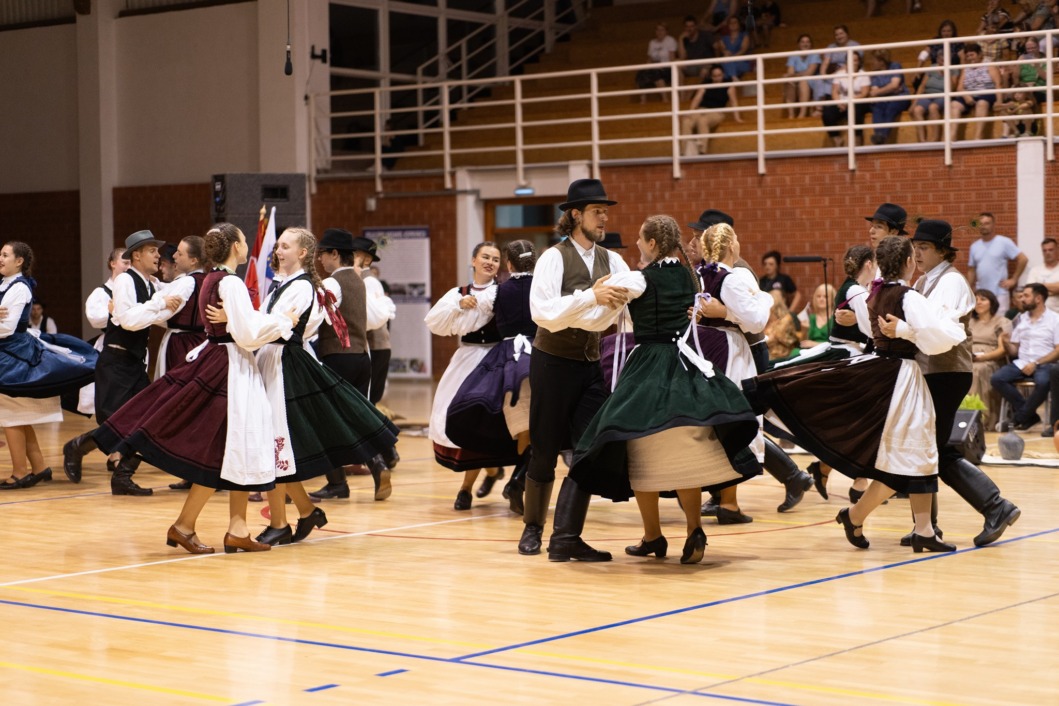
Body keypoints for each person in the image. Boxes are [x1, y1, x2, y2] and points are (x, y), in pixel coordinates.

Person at [88, 223, 300, 553]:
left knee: (229, 449)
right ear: (234, 247)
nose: (247, 245)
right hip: (233, 365)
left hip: (220, 360)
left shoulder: (210, 280)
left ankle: (225, 528)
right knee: (237, 444)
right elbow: (246, 335)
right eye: (244, 240)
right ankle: (199, 527)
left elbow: (240, 324)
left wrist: (244, 320)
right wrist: (283, 321)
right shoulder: (229, 282)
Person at [750, 236, 965, 552]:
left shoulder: (876, 292)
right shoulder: (908, 297)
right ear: (907, 263)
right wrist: (931, 327)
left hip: (885, 371)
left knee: (916, 454)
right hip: (901, 379)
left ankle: (915, 528)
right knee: (912, 452)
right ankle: (865, 517)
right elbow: (939, 341)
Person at [570, 215, 760, 564]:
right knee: (685, 455)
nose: (637, 245)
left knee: (639, 450)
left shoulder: (641, 279)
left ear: (652, 244)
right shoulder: (689, 274)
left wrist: (587, 294)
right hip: (686, 363)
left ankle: (653, 535)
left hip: (651, 367)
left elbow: (608, 295)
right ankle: (692, 529)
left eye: (641, 240)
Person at [250, 227, 400, 546]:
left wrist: (261, 324)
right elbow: (376, 318)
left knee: (293, 437)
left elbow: (297, 325)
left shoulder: (314, 286)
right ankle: (308, 508)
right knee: (309, 431)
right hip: (357, 354)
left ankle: (293, 514)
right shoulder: (354, 280)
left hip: (303, 360)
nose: (278, 251)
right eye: (277, 246)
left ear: (312, 254)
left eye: (285, 246)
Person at [519, 178, 630, 561]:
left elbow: (618, 305)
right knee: (545, 449)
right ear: (576, 215)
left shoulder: (613, 260)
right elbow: (544, 314)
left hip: (590, 364)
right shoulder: (553, 258)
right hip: (551, 363)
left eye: (605, 212)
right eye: (598, 212)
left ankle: (566, 536)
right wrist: (590, 298)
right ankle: (532, 528)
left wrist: (589, 306)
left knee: (588, 449)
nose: (604, 219)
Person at [903, 220, 1021, 547]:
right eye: (915, 247)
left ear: (943, 250)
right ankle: (927, 527)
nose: (918, 253)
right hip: (933, 371)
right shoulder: (926, 280)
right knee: (931, 449)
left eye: (924, 248)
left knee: (938, 450)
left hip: (948, 370)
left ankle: (995, 506)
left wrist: (901, 330)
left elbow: (937, 330)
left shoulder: (951, 282)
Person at [62, 230, 182, 496]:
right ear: (136, 255)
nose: (157, 256)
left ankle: (120, 475)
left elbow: (164, 307)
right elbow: (129, 320)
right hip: (116, 360)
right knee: (119, 423)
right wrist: (159, 304)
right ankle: (79, 446)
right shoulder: (126, 282)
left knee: (148, 420)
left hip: (135, 362)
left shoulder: (150, 284)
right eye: (152, 251)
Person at [446, 240, 538, 514]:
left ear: (508, 264)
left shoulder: (497, 292)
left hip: (507, 362)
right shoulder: (544, 289)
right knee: (535, 429)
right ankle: (516, 480)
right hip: (539, 357)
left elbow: (468, 315)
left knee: (514, 423)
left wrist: (461, 303)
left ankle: (513, 480)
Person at [0, 242, 97, 489]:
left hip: (14, 356)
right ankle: (39, 467)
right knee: (17, 414)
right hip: (9, 353)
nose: (0, 258)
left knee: (11, 414)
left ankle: (20, 472)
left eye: (5, 255)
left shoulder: (19, 288)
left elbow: (6, 327)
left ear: (19, 261)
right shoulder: (6, 285)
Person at [309, 229, 397, 501]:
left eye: (323, 253)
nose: (320, 259)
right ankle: (378, 464)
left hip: (338, 358)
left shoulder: (333, 284)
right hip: (361, 357)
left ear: (335, 254)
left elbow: (315, 318)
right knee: (356, 419)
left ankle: (337, 483)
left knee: (326, 422)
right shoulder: (360, 281)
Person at [694, 222, 773, 522]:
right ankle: (728, 502)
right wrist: (765, 297)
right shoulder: (731, 279)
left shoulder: (701, 274)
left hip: (705, 346)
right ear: (730, 246)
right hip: (728, 348)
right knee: (736, 415)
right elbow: (755, 321)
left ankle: (724, 499)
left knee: (717, 418)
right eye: (737, 238)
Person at [426, 241, 513, 510]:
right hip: (466, 359)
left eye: (495, 259)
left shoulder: (503, 292)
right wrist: (460, 306)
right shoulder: (458, 293)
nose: (490, 262)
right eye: (485, 257)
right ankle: (490, 472)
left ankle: (466, 489)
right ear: (473, 260)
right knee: (461, 417)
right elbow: (435, 321)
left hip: (496, 360)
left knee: (486, 420)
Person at [992, 282, 1059, 429]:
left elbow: (1057, 350)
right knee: (997, 379)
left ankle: (1018, 418)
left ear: (1038, 298)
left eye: (1026, 296)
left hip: (1045, 363)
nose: (1022, 299)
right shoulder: (1020, 319)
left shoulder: (1055, 319)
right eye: (1022, 296)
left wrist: (1035, 363)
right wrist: (1006, 343)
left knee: (1043, 382)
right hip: (1021, 362)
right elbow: (1014, 350)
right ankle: (1030, 416)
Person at [156, 235, 208, 379]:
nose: (174, 256)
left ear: (193, 260)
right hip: (202, 342)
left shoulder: (187, 282)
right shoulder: (208, 280)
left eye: (179, 253)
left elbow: (162, 314)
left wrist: (131, 313)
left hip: (182, 345)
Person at [967, 211, 1027, 314]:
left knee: (1000, 325)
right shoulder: (974, 246)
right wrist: (968, 288)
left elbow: (1023, 259)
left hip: (1000, 293)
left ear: (993, 224)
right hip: (981, 294)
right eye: (981, 224)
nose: (983, 226)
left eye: (987, 223)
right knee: (981, 324)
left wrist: (1014, 279)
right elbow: (971, 270)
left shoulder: (1004, 242)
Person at [969, 289, 1011, 430]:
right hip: (970, 357)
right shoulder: (969, 321)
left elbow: (1002, 350)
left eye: (983, 299)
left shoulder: (1001, 321)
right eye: (976, 299)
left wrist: (982, 357)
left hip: (991, 359)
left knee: (978, 370)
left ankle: (982, 417)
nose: (979, 302)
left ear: (992, 303)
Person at [681, 64, 742, 156]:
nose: (717, 78)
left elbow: (734, 102)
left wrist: (737, 118)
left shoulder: (728, 85)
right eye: (715, 76)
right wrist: (690, 112)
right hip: (701, 109)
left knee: (703, 120)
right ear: (711, 76)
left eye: (719, 75)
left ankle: (702, 152)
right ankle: (685, 152)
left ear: (723, 74)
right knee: (686, 121)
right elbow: (697, 99)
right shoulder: (706, 84)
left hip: (716, 112)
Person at [949, 43, 1002, 143]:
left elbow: (998, 83)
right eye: (967, 56)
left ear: (980, 54)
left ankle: (978, 137)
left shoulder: (989, 65)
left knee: (981, 103)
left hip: (987, 93)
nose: (970, 58)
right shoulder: (966, 68)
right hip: (969, 94)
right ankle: (952, 137)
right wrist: (966, 96)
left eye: (972, 55)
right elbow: (959, 87)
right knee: (954, 104)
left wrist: (999, 101)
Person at [822, 51, 871, 147]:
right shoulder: (840, 74)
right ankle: (836, 139)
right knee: (827, 113)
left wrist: (849, 102)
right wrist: (839, 102)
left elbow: (864, 93)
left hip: (857, 102)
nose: (853, 62)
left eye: (855, 60)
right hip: (843, 103)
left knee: (855, 111)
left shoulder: (863, 74)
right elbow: (834, 92)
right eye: (850, 60)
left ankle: (857, 140)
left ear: (859, 62)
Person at [866, 48, 911, 145]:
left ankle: (883, 136)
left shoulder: (895, 66)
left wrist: (882, 91)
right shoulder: (874, 73)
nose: (872, 62)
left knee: (891, 108)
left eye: (874, 60)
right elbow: (874, 92)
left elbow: (894, 84)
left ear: (881, 61)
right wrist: (889, 89)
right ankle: (878, 135)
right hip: (884, 99)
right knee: (876, 108)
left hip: (900, 97)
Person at [635, 23, 678, 101]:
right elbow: (650, 59)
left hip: (666, 68)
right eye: (657, 30)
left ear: (666, 31)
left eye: (662, 30)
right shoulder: (652, 42)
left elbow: (672, 58)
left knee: (656, 73)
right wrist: (646, 67)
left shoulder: (670, 40)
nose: (659, 32)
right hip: (655, 67)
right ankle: (642, 100)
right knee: (640, 73)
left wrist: (663, 65)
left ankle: (665, 99)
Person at [783, 35, 821, 119]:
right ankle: (791, 115)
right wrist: (793, 76)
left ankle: (802, 114)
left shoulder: (814, 54)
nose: (805, 44)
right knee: (788, 81)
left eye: (807, 42)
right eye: (803, 42)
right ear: (799, 45)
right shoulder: (793, 55)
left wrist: (795, 75)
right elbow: (790, 72)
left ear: (811, 44)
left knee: (803, 81)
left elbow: (809, 72)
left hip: (811, 81)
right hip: (798, 79)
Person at [677, 15, 714, 83]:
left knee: (704, 71)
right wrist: (681, 39)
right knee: (677, 66)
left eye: (691, 26)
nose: (689, 29)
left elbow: (715, 49)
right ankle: (680, 93)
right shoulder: (684, 39)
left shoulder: (705, 35)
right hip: (691, 65)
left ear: (696, 26)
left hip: (705, 64)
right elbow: (682, 57)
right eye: (687, 27)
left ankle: (695, 93)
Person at [1026, 238, 1059, 313]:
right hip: (1039, 316)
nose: (1047, 253)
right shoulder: (1035, 270)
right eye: (1045, 250)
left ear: (1057, 250)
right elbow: (1030, 292)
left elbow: (1036, 290)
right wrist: (1055, 290)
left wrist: (1040, 286)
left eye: (1051, 250)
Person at [714, 16, 751, 80]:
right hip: (727, 61)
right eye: (731, 23)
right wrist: (725, 52)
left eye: (735, 22)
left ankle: (732, 78)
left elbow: (743, 50)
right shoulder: (724, 38)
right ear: (728, 25)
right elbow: (723, 49)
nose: (733, 24)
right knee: (724, 64)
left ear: (739, 24)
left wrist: (732, 58)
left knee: (725, 66)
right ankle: (734, 78)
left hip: (741, 61)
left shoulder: (744, 35)